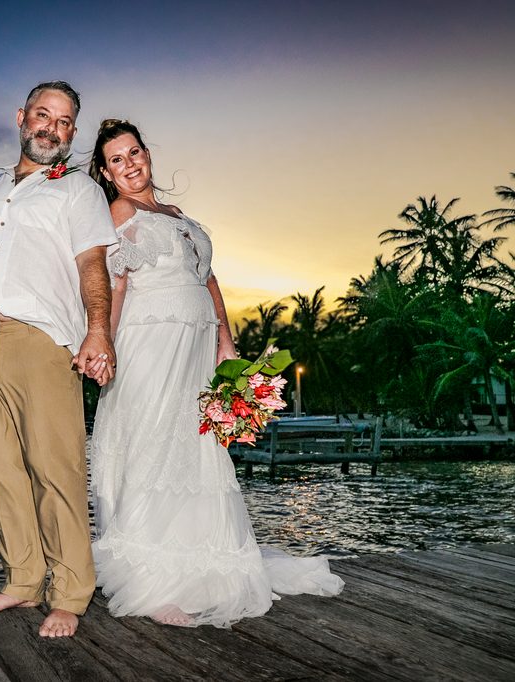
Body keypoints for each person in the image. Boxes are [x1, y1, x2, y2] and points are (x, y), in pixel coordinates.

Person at [87, 119, 344, 628]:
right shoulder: (118, 212)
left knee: (195, 447)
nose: (129, 164)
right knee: (154, 442)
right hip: (151, 342)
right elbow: (116, 285)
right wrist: (103, 345)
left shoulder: (178, 215)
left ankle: (196, 565)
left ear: (147, 154)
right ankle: (153, 579)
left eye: (134, 152)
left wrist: (226, 342)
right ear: (106, 172)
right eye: (117, 159)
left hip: (197, 345)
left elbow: (208, 280)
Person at [0, 82, 118, 638]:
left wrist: (98, 332)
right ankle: (23, 580)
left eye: (64, 121)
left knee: (56, 471)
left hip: (42, 342)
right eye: (42, 115)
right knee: (1, 471)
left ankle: (71, 593)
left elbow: (92, 266)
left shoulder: (79, 191)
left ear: (72, 132)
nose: (51, 128)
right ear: (21, 117)